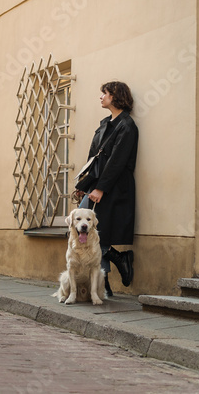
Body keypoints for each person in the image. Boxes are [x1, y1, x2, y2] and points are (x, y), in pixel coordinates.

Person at [74, 81, 138, 296]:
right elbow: (93, 159)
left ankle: (105, 281)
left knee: (96, 234)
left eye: (105, 93)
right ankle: (114, 265)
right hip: (96, 185)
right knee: (88, 232)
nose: (101, 97)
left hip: (114, 187)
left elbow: (118, 162)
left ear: (116, 96)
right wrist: (85, 185)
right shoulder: (104, 125)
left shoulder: (127, 126)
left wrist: (101, 188)